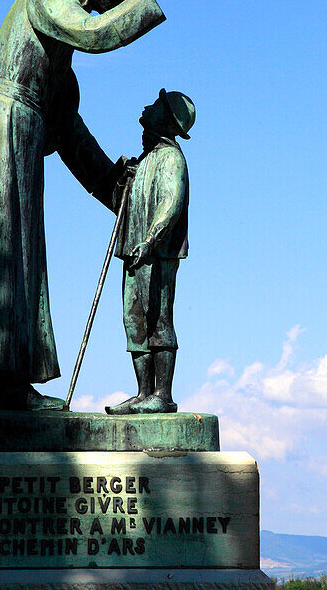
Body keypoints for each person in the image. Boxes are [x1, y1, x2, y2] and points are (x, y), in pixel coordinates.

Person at [0, 0, 176, 410]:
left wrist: (115, 187)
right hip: (2, 126)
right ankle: (2, 385)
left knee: (17, 255)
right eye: (116, 3)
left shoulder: (59, 61)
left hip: (19, 131)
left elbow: (70, 134)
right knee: (3, 253)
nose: (110, 14)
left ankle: (5, 382)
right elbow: (92, 33)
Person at [106, 89, 194, 415]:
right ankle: (143, 393)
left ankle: (163, 395)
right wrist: (123, 180)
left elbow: (171, 203)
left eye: (156, 104)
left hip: (156, 252)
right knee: (134, 323)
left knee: (159, 319)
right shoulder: (144, 159)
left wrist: (151, 241)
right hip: (133, 253)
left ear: (167, 119)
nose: (147, 105)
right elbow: (122, 206)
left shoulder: (172, 158)